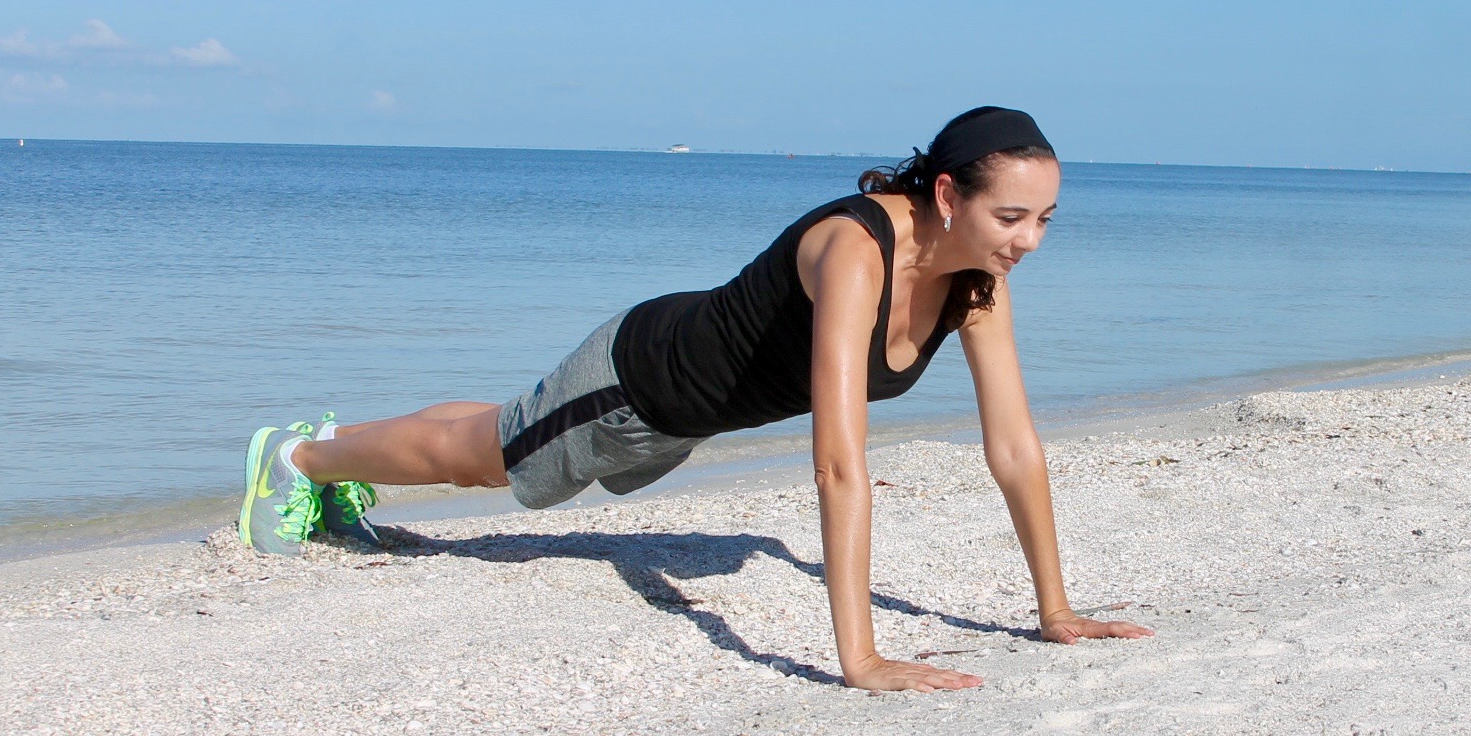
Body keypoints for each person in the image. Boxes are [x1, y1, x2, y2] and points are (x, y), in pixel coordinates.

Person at [237, 106, 1154, 692]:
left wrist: (1055, 608)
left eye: (1045, 220)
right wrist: (860, 658)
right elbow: (839, 461)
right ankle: (299, 457)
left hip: (687, 413)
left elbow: (1015, 445)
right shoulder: (856, 248)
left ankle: (333, 443)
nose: (1030, 240)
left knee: (499, 427)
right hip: (642, 381)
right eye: (1012, 217)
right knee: (481, 461)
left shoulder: (974, 275)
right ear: (949, 193)